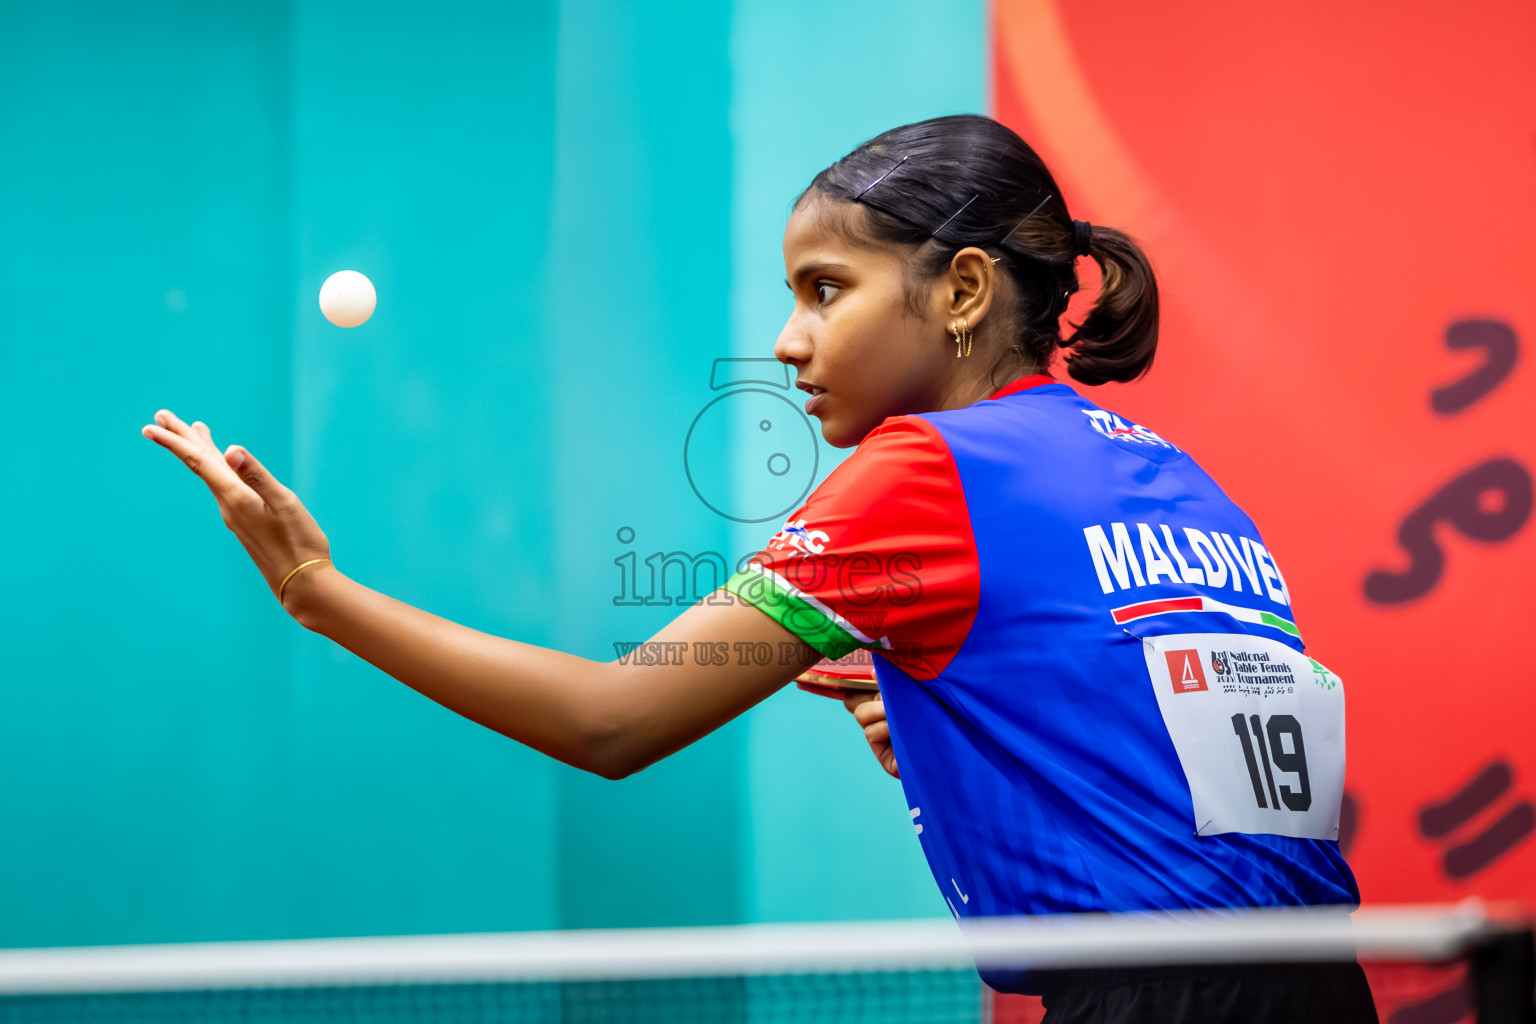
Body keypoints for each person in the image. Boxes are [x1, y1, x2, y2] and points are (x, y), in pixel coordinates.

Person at [141, 114, 1375, 1023]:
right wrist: (957, 716)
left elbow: (612, 720)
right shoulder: (1173, 476)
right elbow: (1180, 753)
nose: (788, 343)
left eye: (825, 291)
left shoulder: (926, 470)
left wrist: (318, 591)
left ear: (959, 288)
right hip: (1323, 985)